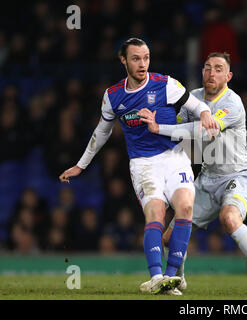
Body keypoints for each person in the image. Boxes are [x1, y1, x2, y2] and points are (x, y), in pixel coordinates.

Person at [59, 38, 218, 295]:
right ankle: (156, 276)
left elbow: (196, 104)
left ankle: (171, 276)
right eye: (136, 58)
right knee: (155, 212)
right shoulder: (113, 96)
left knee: (185, 207)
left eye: (146, 57)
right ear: (123, 60)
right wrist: (81, 165)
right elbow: (102, 132)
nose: (142, 63)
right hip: (143, 164)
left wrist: (206, 113)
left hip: (174, 155)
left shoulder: (165, 84)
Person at [137, 52, 247, 295]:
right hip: (207, 178)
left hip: (237, 175)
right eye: (207, 67)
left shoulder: (232, 103)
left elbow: (205, 131)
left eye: (218, 68)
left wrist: (159, 128)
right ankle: (178, 279)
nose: (211, 73)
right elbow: (177, 128)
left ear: (228, 76)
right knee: (168, 238)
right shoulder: (193, 98)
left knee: (230, 219)